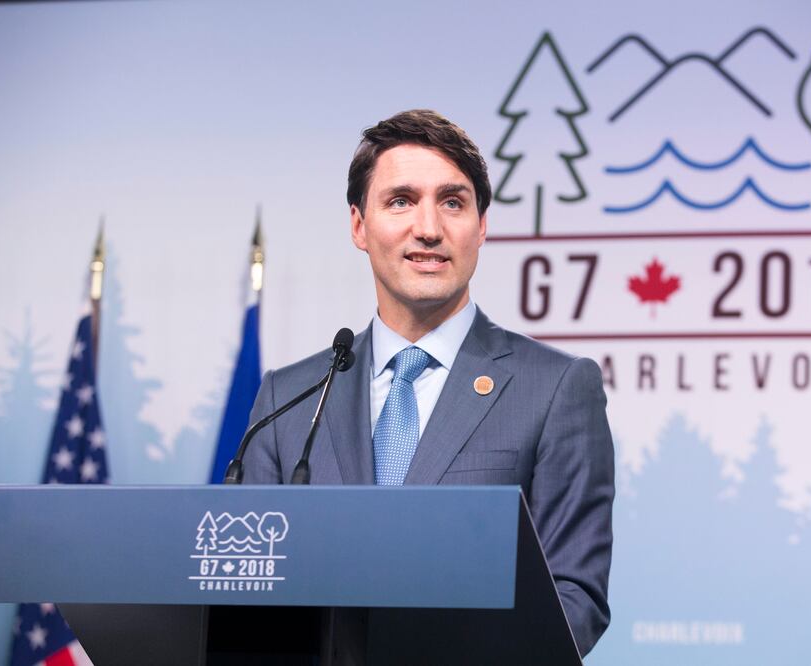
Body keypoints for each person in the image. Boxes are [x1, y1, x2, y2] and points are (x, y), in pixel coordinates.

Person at [244, 109, 614, 656]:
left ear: (481, 226)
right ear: (358, 225)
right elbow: (248, 591)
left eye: (453, 202)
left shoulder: (556, 388)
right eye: (400, 201)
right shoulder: (289, 400)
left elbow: (574, 598)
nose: (429, 228)